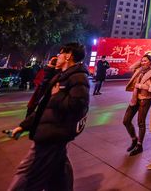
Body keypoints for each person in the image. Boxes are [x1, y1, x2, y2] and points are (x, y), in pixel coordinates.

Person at [7, 43, 90, 191]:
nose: (57, 56)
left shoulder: (78, 77)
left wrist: (57, 97)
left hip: (52, 134)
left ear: (68, 55)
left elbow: (78, 106)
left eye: (60, 53)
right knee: (58, 173)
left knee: (31, 174)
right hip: (49, 132)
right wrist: (24, 125)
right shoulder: (61, 75)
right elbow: (44, 104)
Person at [123, 54, 151, 156]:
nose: (143, 63)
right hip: (135, 98)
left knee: (141, 123)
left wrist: (141, 86)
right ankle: (134, 139)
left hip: (145, 99)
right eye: (142, 61)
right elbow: (131, 67)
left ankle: (139, 145)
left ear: (150, 62)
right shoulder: (140, 70)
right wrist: (141, 60)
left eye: (145, 61)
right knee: (126, 120)